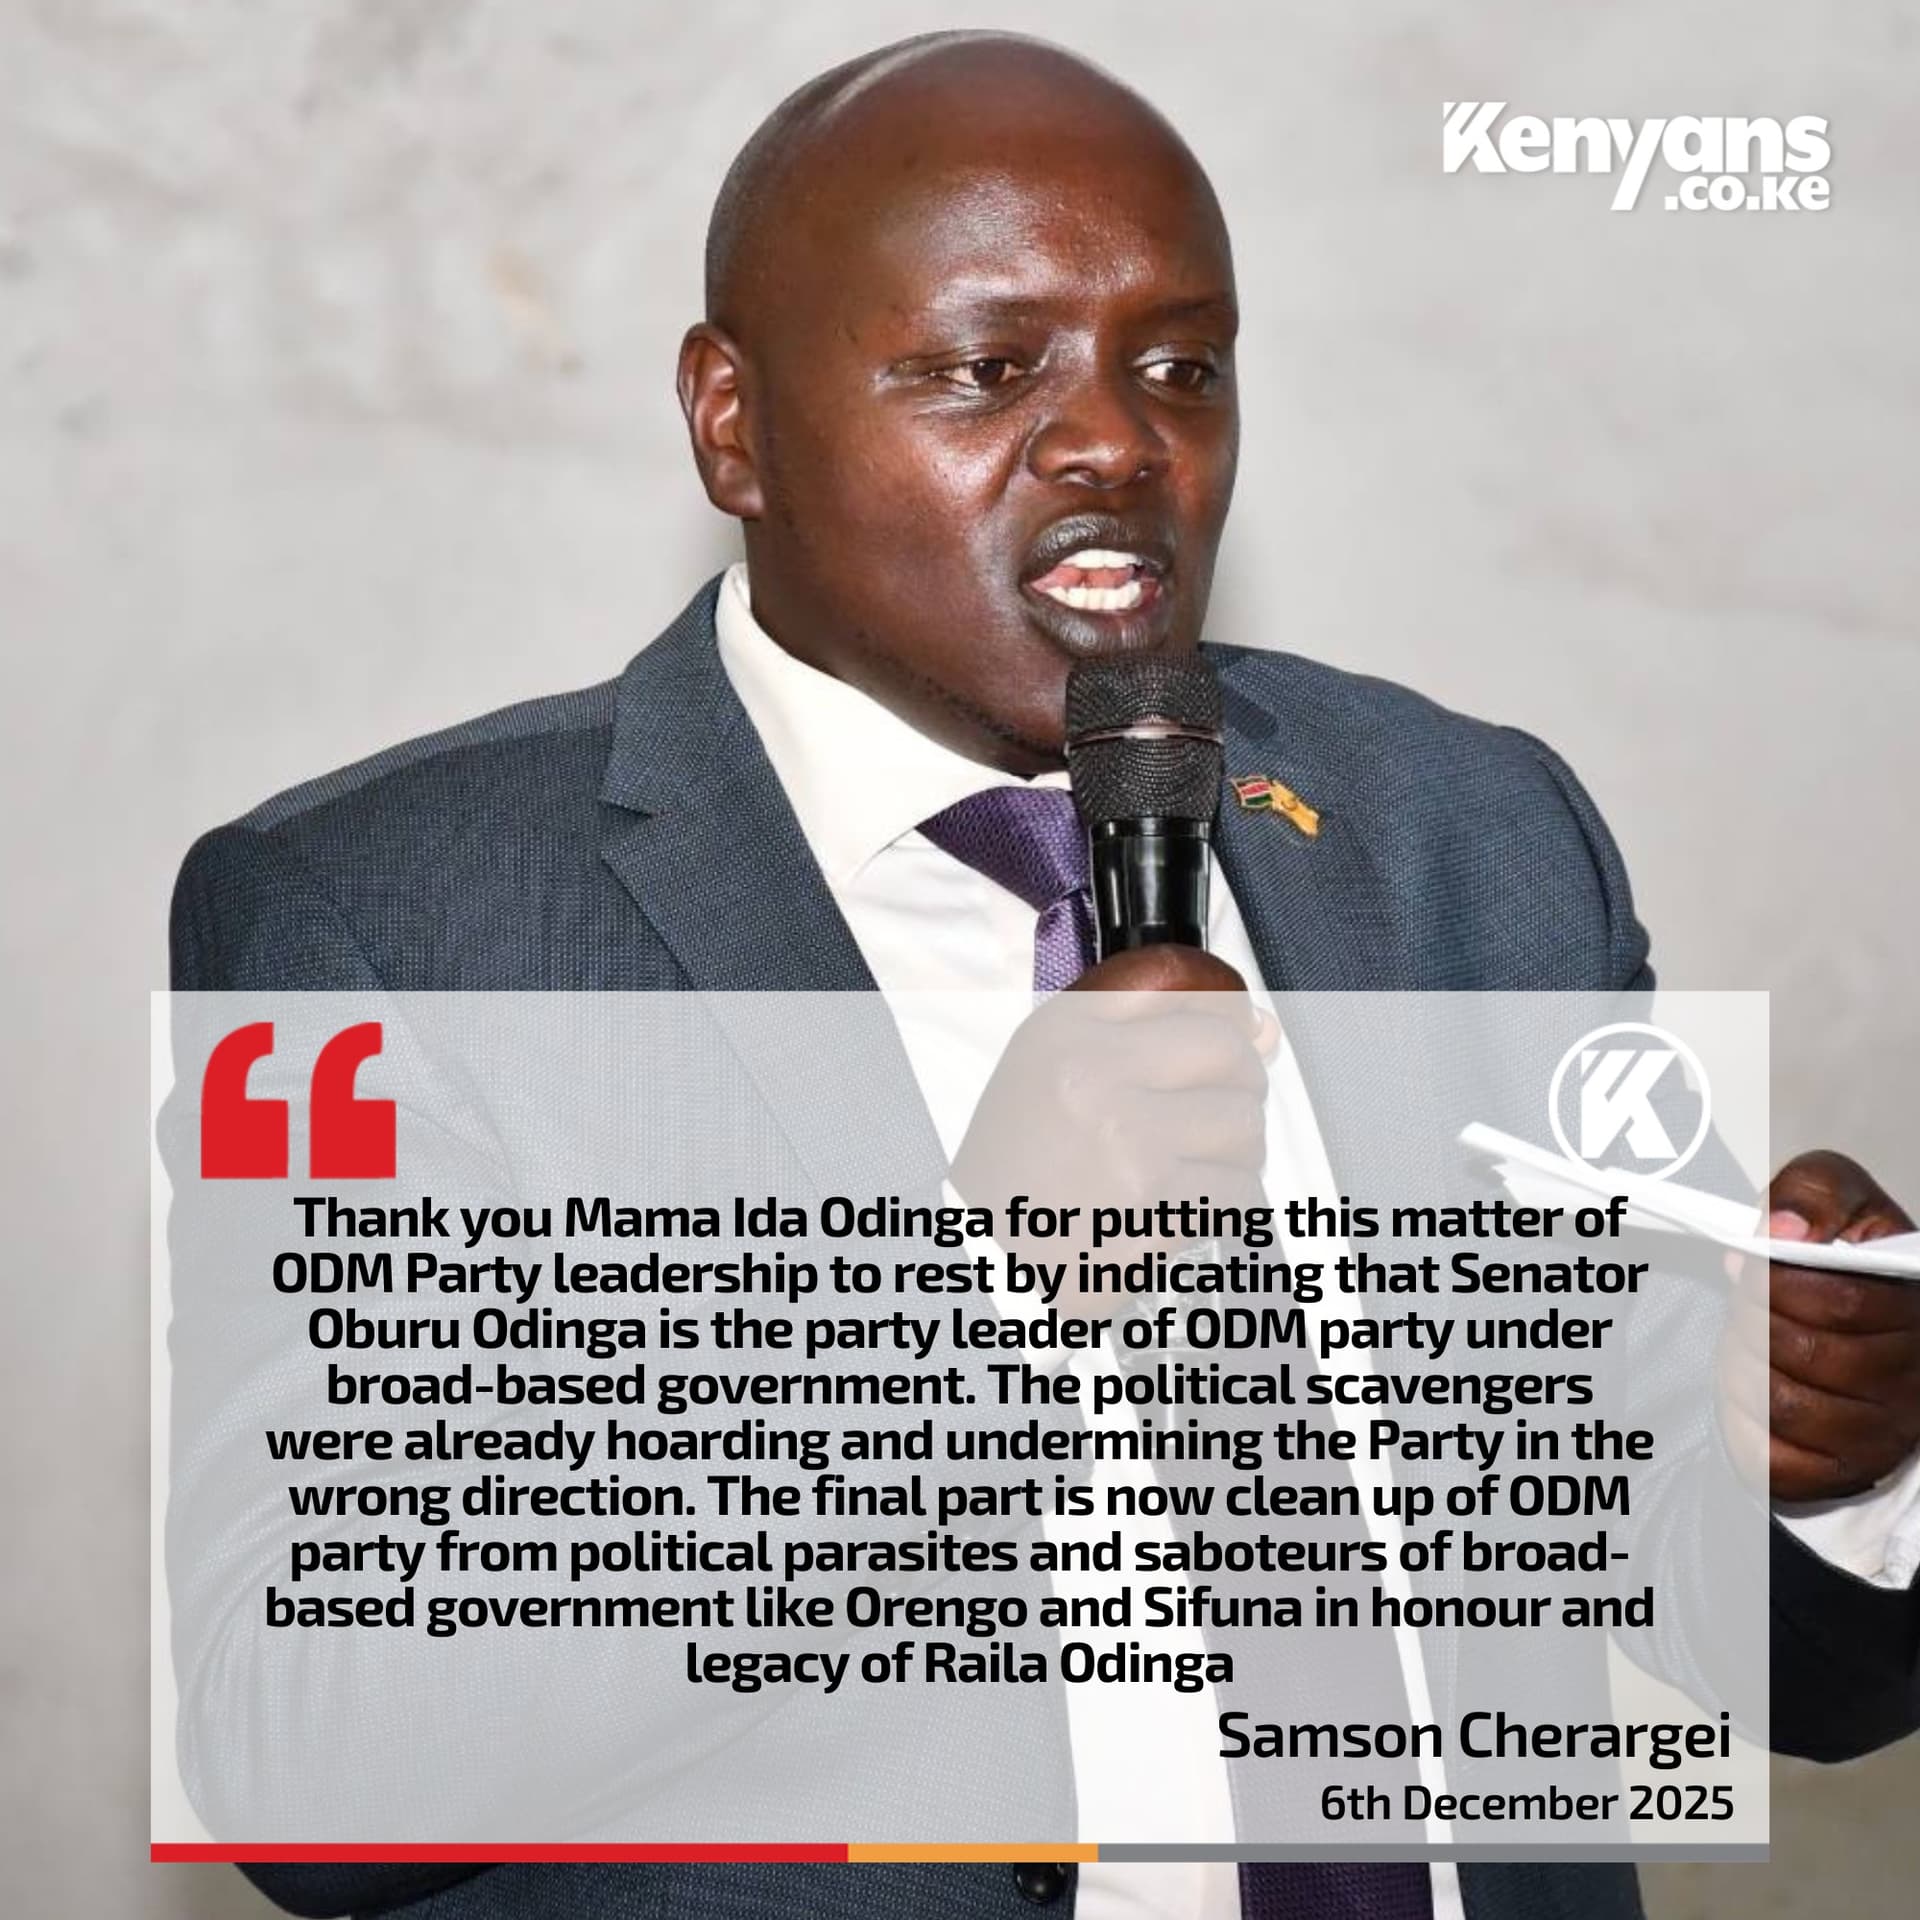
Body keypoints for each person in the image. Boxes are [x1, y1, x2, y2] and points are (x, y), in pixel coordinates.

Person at [169, 31, 1920, 1920]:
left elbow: (1758, 1638)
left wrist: (1822, 1454)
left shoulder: (1463, 834)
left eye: (1182, 368)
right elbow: (306, 1769)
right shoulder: (386, 929)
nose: (1114, 443)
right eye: (987, 368)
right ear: (732, 423)